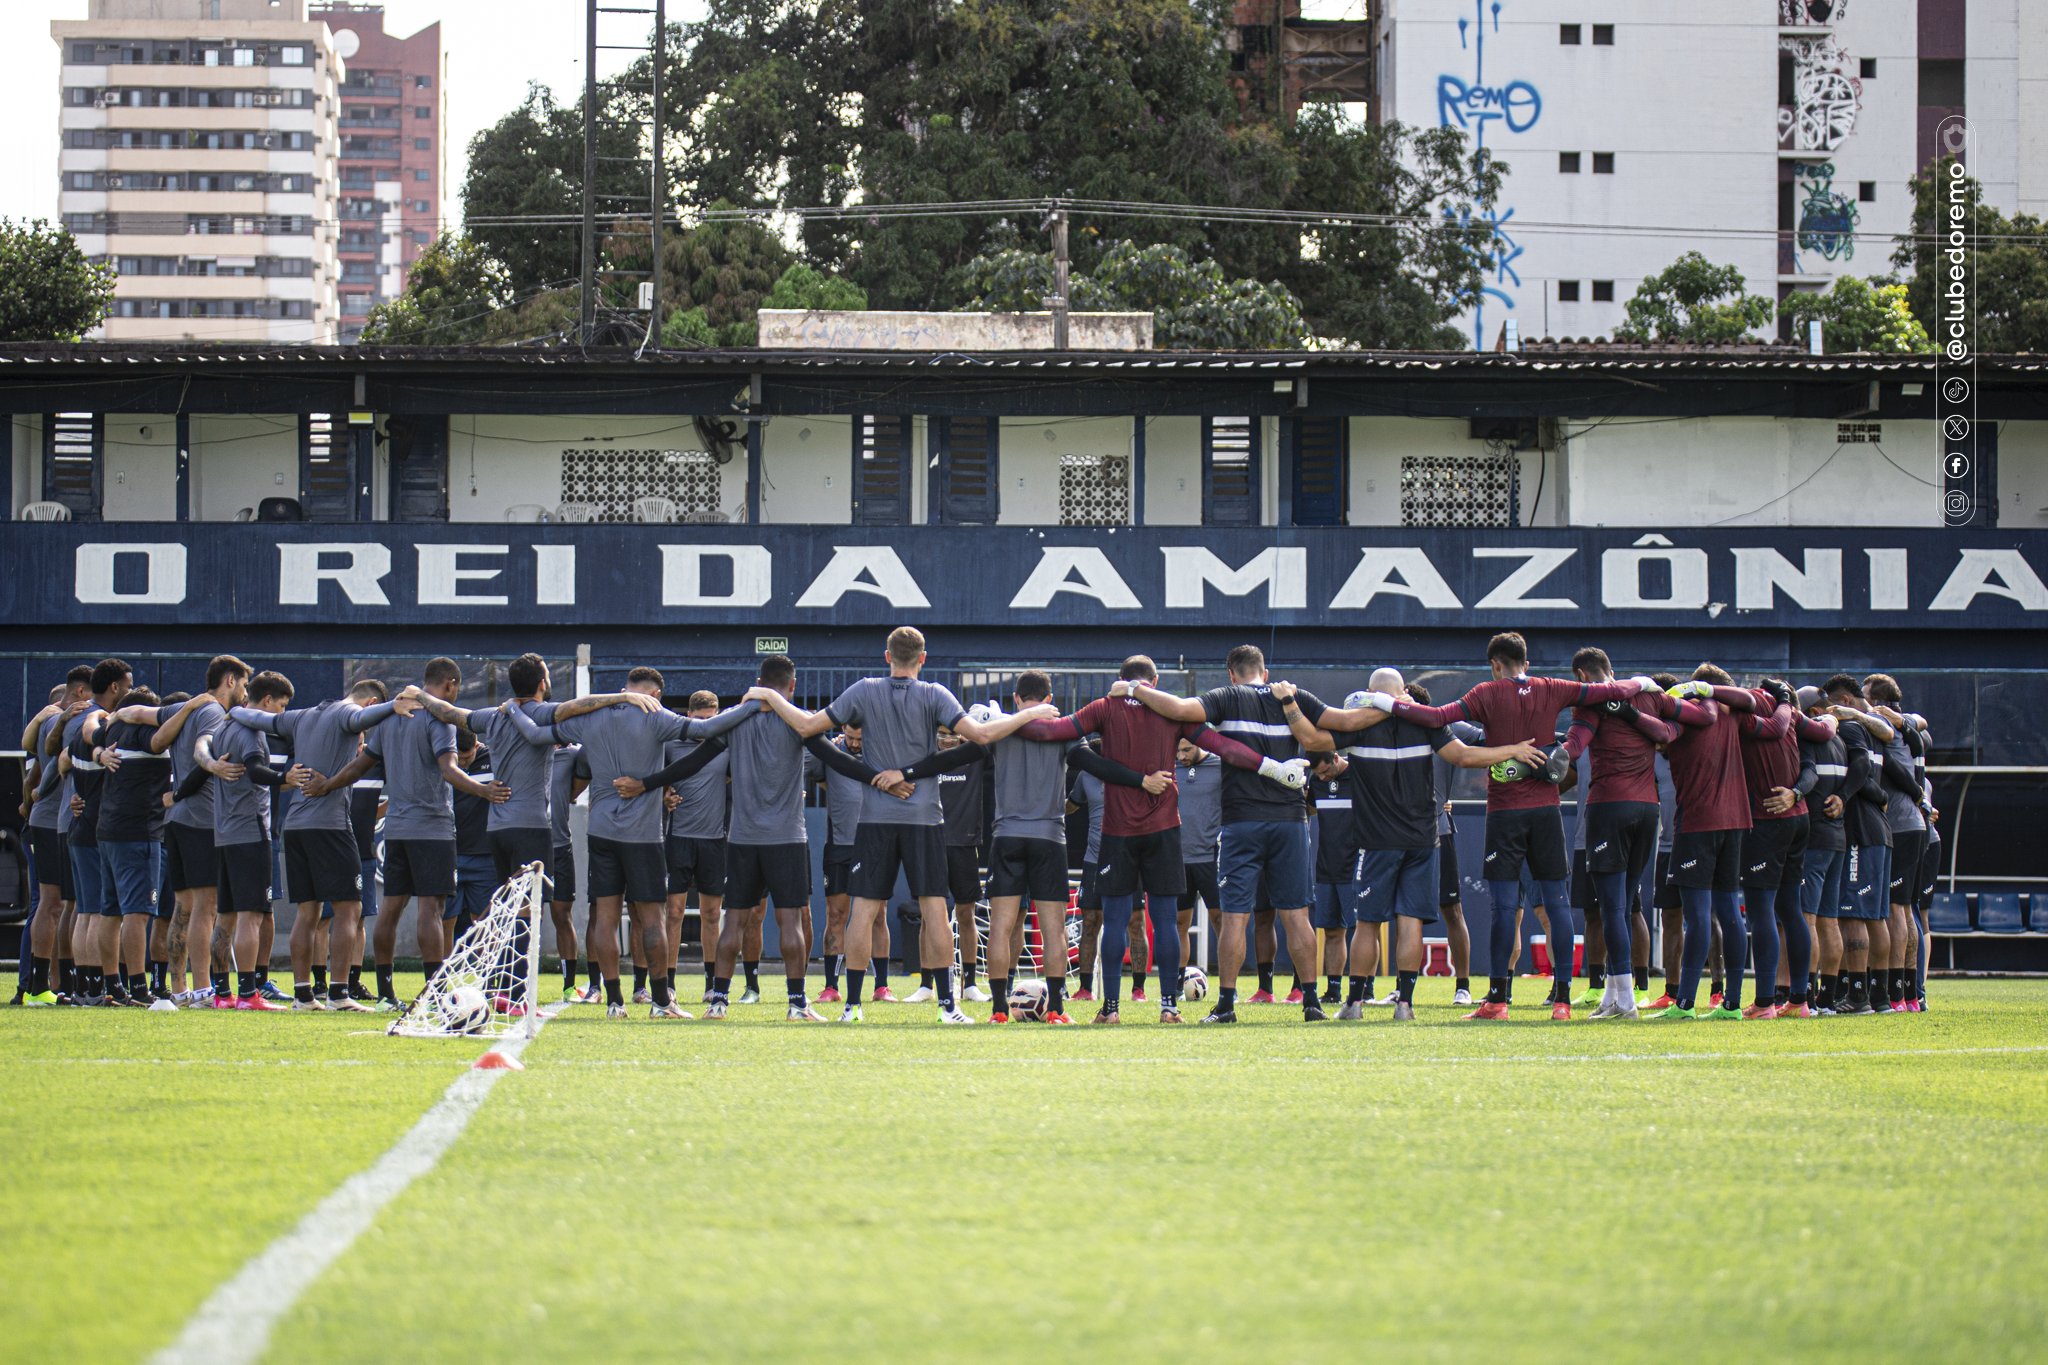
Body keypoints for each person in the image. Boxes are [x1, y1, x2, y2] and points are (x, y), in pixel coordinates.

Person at [746, 627, 1056, 1024]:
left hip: (876, 817)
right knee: (934, 908)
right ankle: (947, 1007)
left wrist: (771, 695)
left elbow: (808, 727)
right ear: (923, 658)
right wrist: (1029, 713)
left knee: (863, 910)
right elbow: (980, 736)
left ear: (887, 656)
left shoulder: (864, 689)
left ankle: (852, 1006)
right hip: (923, 816)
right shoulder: (935, 694)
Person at [1365, 633, 1654, 1020]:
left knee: (1504, 908)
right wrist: (1642, 683)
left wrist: (1386, 702)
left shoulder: (1486, 692)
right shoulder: (1551, 687)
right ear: (1526, 663)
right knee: (1557, 904)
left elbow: (1436, 718)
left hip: (1505, 813)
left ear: (1495, 665)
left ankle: (1498, 1001)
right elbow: (1609, 691)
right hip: (1547, 812)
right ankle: (1563, 1002)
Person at [1022, 654, 1295, 1025]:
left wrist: (1020, 717)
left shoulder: (1105, 707)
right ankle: (1168, 1007)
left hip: (1118, 831)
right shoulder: (1171, 711)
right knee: (1166, 921)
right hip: (1164, 829)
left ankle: (1111, 1009)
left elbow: (1050, 733)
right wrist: (1272, 767)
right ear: (1155, 681)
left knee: (1115, 922)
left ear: (1122, 679)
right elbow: (1223, 746)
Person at [1278, 672, 1542, 1022]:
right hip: (1422, 838)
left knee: (1368, 923)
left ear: (1370, 694)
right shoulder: (1427, 724)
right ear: (1403, 693)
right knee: (1410, 921)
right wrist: (1513, 750)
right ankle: (1404, 1004)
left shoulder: (1358, 726)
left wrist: (1289, 701)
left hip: (1376, 840)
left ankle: (1354, 1003)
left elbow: (1310, 737)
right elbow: (1465, 756)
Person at [529, 668, 753, 1018]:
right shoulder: (655, 715)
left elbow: (538, 731)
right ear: (656, 695)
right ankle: (661, 1002)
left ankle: (614, 1002)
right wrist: (752, 704)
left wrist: (510, 711)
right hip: (643, 835)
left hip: (601, 830)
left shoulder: (592, 716)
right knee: (652, 918)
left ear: (626, 689)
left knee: (605, 918)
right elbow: (707, 730)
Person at [1120, 646, 1326, 1023]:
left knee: (1234, 918)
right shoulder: (1292, 696)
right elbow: (1336, 729)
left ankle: (1227, 1005)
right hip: (1290, 820)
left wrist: (1135, 689)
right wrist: (1389, 704)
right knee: (1297, 916)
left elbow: (1178, 709)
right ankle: (1312, 1002)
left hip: (1242, 822)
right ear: (1265, 672)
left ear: (1231, 674)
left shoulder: (1227, 696)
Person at [681, 655, 889, 1022]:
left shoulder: (735, 719)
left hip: (743, 838)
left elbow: (693, 760)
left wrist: (648, 784)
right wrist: (880, 778)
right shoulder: (799, 723)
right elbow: (839, 760)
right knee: (790, 921)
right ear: (792, 686)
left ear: (759, 683)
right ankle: (796, 1004)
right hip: (787, 837)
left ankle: (718, 1002)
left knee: (734, 920)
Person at [945, 672, 1157, 1024]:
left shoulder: (999, 731)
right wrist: (1140, 779)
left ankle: (998, 1010)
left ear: (1016, 698)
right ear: (1050, 699)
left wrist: (906, 773)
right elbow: (1098, 766)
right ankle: (1056, 1009)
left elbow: (952, 757)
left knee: (1000, 927)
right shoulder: (1063, 731)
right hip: (1049, 839)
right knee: (1053, 928)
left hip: (1007, 837)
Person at [222, 678, 407, 1011]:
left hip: (294, 826)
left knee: (307, 913)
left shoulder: (301, 715)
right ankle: (338, 994)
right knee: (349, 909)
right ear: (370, 702)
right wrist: (394, 706)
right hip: (330, 826)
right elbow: (363, 717)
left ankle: (303, 996)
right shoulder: (349, 713)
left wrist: (234, 711)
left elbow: (257, 718)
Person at [1635, 668, 1763, 1020]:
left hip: (1698, 823)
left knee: (1697, 916)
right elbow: (1751, 703)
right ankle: (1732, 1004)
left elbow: (1660, 733)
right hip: (1736, 822)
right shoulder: (1733, 715)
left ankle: (1686, 1003)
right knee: (1729, 912)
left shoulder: (1690, 713)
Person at [1560, 648, 1681, 1020]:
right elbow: (1672, 729)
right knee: (1626, 906)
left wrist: (1558, 756)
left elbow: (1576, 744)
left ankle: (1625, 1001)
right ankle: (1613, 995)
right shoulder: (1649, 696)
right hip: (1648, 811)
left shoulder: (1591, 701)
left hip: (1609, 806)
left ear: (1582, 676)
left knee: (1611, 908)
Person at [191, 669, 306, 1011]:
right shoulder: (252, 732)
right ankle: (247, 994)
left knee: (225, 917)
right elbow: (256, 771)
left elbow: (204, 765)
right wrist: (286, 778)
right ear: (267, 701)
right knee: (251, 916)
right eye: (281, 706)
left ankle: (222, 994)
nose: (282, 714)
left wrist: (177, 794)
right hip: (250, 832)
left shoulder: (224, 728)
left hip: (225, 834)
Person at [1734, 679, 1836, 1020]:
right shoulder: (1792, 715)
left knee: (1762, 909)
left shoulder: (1751, 715)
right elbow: (1824, 731)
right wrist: (1832, 718)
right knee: (1791, 909)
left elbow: (1776, 728)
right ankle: (1799, 1000)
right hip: (1799, 819)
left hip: (1768, 819)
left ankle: (1764, 1002)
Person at [1822, 674, 1896, 1015]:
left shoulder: (1851, 727)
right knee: (1876, 917)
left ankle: (1858, 996)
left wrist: (1842, 794)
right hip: (1879, 831)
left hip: (1861, 832)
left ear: (1844, 702)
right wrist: (1882, 796)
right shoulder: (1877, 729)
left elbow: (1861, 768)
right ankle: (1879, 996)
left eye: (1829, 707)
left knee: (1853, 915)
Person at [1863, 674, 1932, 1013]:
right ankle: (1909, 994)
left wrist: (1918, 794)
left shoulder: (1882, 724)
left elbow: (1893, 763)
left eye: (1865, 696)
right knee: (1904, 909)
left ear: (1876, 701)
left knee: (1894, 909)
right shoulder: (1904, 726)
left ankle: (1896, 993)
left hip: (1900, 826)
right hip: (1914, 825)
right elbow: (1920, 723)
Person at [815, 723, 895, 1003]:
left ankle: (882, 987)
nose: (855, 743)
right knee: (836, 914)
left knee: (878, 914)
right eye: (850, 737)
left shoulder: (883, 753)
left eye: (860, 738)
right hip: (839, 845)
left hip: (874, 844)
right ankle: (831, 986)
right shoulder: (831, 752)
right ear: (843, 730)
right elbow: (814, 774)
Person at [935, 721, 995, 1002]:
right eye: (942, 734)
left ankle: (969, 984)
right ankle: (926, 984)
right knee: (930, 917)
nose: (948, 740)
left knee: (966, 914)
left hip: (965, 844)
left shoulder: (975, 755)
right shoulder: (925, 757)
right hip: (932, 843)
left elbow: (994, 737)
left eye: (953, 734)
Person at [548, 740, 592, 1003]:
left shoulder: (573, 753)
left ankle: (569, 986)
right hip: (527, 842)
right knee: (521, 919)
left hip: (559, 845)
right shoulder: (526, 747)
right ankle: (514, 985)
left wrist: (568, 794)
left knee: (562, 914)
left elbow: (582, 780)